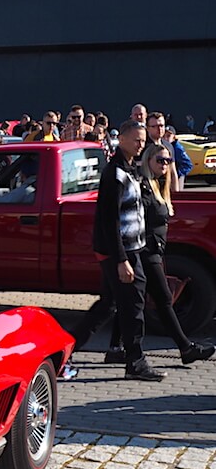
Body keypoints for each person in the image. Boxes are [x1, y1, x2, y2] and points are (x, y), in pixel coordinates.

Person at [69, 120, 163, 381]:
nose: (141, 144)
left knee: (109, 305)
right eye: (136, 140)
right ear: (121, 139)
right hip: (121, 253)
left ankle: (66, 349)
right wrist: (122, 259)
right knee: (134, 305)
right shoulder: (115, 173)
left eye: (143, 141)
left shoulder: (131, 169)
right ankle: (136, 361)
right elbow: (109, 220)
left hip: (131, 249)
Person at [106, 144, 214, 365]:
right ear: (148, 160)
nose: (165, 165)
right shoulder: (141, 185)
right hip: (144, 251)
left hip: (153, 250)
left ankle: (114, 348)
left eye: (168, 161)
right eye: (160, 160)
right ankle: (185, 348)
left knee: (129, 301)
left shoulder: (157, 184)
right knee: (163, 299)